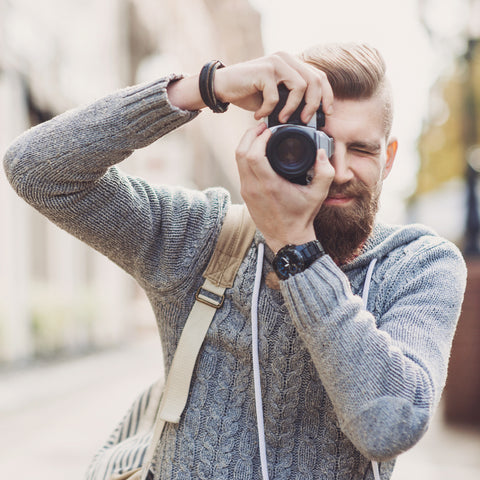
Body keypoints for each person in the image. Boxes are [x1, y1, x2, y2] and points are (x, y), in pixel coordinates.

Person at [3, 42, 466, 480]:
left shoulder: (418, 265)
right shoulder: (204, 236)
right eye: (317, 144)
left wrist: (295, 247)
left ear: (388, 159)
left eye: (361, 150)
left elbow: (391, 424)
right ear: (272, 142)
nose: (336, 171)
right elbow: (36, 169)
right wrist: (207, 88)